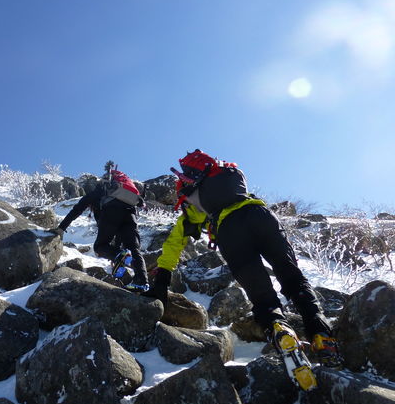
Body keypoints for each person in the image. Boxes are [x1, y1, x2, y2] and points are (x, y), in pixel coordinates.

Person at [147, 149, 341, 369]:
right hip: (263, 216)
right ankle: (321, 332)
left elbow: (176, 240)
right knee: (291, 275)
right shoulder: (228, 176)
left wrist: (162, 277)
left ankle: (279, 327)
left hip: (230, 230)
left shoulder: (196, 199)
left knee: (260, 291)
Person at [53, 162, 150, 292]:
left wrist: (61, 228)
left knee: (99, 246)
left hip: (112, 212)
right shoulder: (124, 193)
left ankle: (123, 259)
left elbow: (77, 209)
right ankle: (142, 282)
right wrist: (116, 254)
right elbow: (118, 232)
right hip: (131, 212)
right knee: (133, 248)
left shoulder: (100, 190)